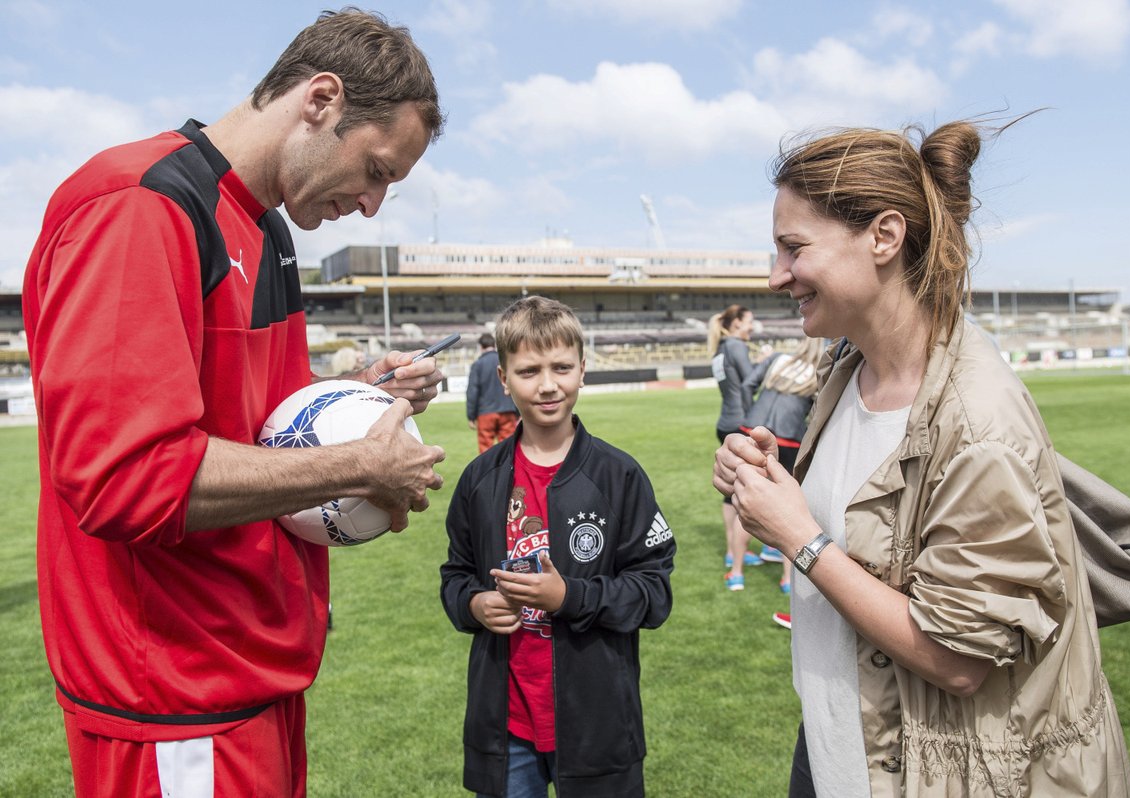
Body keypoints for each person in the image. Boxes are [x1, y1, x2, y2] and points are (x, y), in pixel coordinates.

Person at [22, 10, 449, 796]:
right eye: (379, 170)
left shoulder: (268, 230)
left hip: (248, 674)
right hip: (174, 694)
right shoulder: (140, 204)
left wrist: (362, 403)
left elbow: (261, 430)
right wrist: (360, 465)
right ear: (321, 99)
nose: (373, 204)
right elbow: (127, 477)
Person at [714, 120, 1130, 796]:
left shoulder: (977, 419)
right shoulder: (848, 368)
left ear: (883, 237)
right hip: (837, 745)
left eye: (793, 248)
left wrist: (796, 534)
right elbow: (869, 517)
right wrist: (773, 480)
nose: (775, 276)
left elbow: (958, 659)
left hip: (937, 771)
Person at [441, 296, 676, 797]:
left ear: (583, 370)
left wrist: (569, 597)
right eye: (529, 371)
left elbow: (654, 594)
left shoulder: (620, 476)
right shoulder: (479, 480)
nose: (548, 385)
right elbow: (455, 575)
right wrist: (472, 604)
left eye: (562, 367)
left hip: (597, 726)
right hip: (506, 730)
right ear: (503, 379)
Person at [742, 335, 823, 594]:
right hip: (788, 438)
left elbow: (748, 384)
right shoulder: (819, 369)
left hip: (753, 428)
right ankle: (788, 579)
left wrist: (749, 413)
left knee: (745, 494)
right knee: (790, 503)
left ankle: (735, 567)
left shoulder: (778, 359)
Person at [709, 304, 777, 590]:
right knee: (747, 488)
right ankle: (747, 550)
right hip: (740, 423)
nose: (753, 325)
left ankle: (732, 550)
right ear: (736, 323)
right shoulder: (736, 346)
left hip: (725, 420)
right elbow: (752, 380)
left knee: (730, 489)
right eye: (750, 320)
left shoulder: (720, 349)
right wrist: (766, 360)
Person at [466, 331, 519, 452]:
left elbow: (473, 391)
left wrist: (471, 416)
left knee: (486, 450)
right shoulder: (505, 361)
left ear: (480, 346)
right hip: (507, 410)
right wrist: (517, 412)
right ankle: (509, 470)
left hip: (486, 412)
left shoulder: (477, 365)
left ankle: (488, 471)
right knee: (509, 448)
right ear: (494, 345)